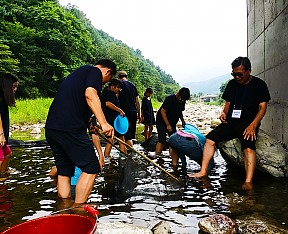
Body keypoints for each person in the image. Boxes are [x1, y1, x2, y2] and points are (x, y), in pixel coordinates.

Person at [189, 56, 271, 190]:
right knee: (210, 139)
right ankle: (203, 171)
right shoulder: (232, 84)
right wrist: (223, 113)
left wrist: (253, 125)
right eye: (234, 74)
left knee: (248, 148)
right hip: (232, 122)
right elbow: (228, 103)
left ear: (249, 71)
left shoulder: (259, 85)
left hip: (248, 124)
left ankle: (248, 182)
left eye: (239, 74)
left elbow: (263, 107)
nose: (236, 77)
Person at [45, 59, 116, 205]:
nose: (103, 84)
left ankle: (64, 207)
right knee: (91, 167)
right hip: (69, 129)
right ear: (107, 71)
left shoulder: (78, 75)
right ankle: (78, 209)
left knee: (65, 170)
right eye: (107, 80)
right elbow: (90, 94)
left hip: (52, 129)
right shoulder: (95, 71)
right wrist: (103, 122)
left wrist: (90, 124)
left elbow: (74, 103)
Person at [155, 87, 190, 155]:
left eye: (184, 100)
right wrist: (167, 125)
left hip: (172, 122)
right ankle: (157, 157)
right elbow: (163, 111)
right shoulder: (170, 99)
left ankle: (172, 158)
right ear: (178, 94)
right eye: (182, 99)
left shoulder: (182, 101)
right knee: (162, 140)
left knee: (174, 141)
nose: (182, 101)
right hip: (161, 121)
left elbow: (180, 112)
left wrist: (183, 121)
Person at [101, 78, 127, 157]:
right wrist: (120, 110)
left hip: (109, 119)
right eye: (118, 87)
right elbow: (108, 104)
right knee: (121, 138)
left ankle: (106, 157)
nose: (119, 90)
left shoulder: (105, 91)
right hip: (113, 120)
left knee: (110, 139)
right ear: (112, 86)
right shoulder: (110, 93)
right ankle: (125, 157)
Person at [0, 74, 19, 176]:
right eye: (13, 86)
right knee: (1, 159)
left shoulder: (3, 99)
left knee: (7, 154)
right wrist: (1, 134)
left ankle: (3, 175)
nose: (15, 89)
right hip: (0, 134)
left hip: (3, 134)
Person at [117, 71, 141, 147]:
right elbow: (138, 102)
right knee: (131, 136)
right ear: (126, 77)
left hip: (123, 113)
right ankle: (129, 153)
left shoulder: (119, 85)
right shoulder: (133, 86)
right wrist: (139, 114)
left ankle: (127, 154)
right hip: (133, 112)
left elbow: (116, 98)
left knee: (125, 135)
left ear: (119, 77)